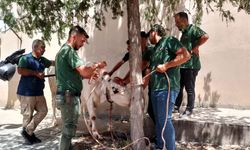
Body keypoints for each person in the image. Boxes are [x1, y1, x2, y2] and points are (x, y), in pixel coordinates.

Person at [55, 25, 106, 150]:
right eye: (82, 40)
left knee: (70, 130)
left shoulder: (65, 51)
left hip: (69, 96)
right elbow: (83, 71)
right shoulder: (68, 51)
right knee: (68, 131)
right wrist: (97, 65)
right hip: (68, 96)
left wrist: (91, 75)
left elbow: (81, 74)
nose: (83, 43)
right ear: (74, 37)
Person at [146, 24, 190, 150]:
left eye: (149, 34)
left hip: (167, 88)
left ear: (154, 32)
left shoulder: (169, 40)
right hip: (156, 89)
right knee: (159, 121)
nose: (149, 38)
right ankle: (161, 146)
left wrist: (166, 65)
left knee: (165, 120)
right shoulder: (155, 49)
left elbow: (185, 56)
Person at [17, 39, 55, 145]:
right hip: (26, 92)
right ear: (35, 48)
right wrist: (35, 73)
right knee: (27, 115)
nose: (44, 49)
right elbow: (20, 70)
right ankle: (29, 136)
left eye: (44, 47)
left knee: (43, 111)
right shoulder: (25, 58)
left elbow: (52, 63)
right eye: (42, 47)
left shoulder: (43, 60)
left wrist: (61, 62)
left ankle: (27, 131)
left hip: (38, 92)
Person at [174, 12, 209, 117]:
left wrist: (195, 47)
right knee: (179, 86)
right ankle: (176, 106)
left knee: (189, 88)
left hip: (191, 65)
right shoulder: (184, 33)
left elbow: (205, 36)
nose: (176, 24)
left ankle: (189, 109)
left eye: (178, 22)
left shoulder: (193, 29)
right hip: (183, 65)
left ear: (184, 20)